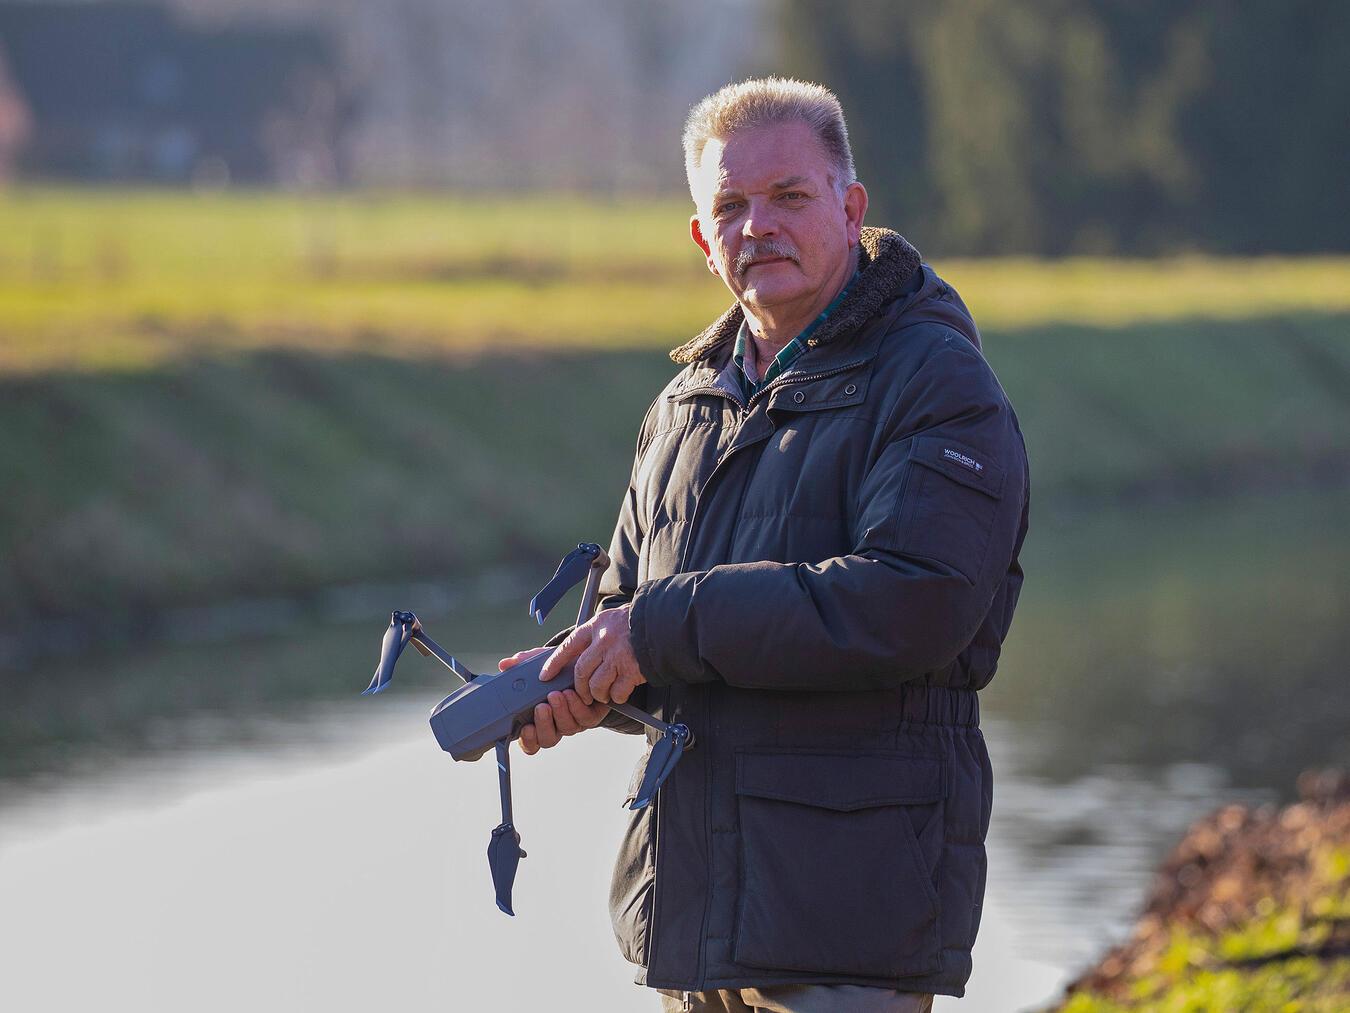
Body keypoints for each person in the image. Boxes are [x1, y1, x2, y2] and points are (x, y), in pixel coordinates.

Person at [498, 77, 1029, 1012]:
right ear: (703, 238)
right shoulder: (682, 405)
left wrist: (656, 634)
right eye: (731, 207)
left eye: (789, 197)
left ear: (850, 207)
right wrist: (583, 680)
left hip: (847, 916)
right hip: (695, 920)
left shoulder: (937, 378)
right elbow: (640, 621)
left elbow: (917, 601)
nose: (759, 227)